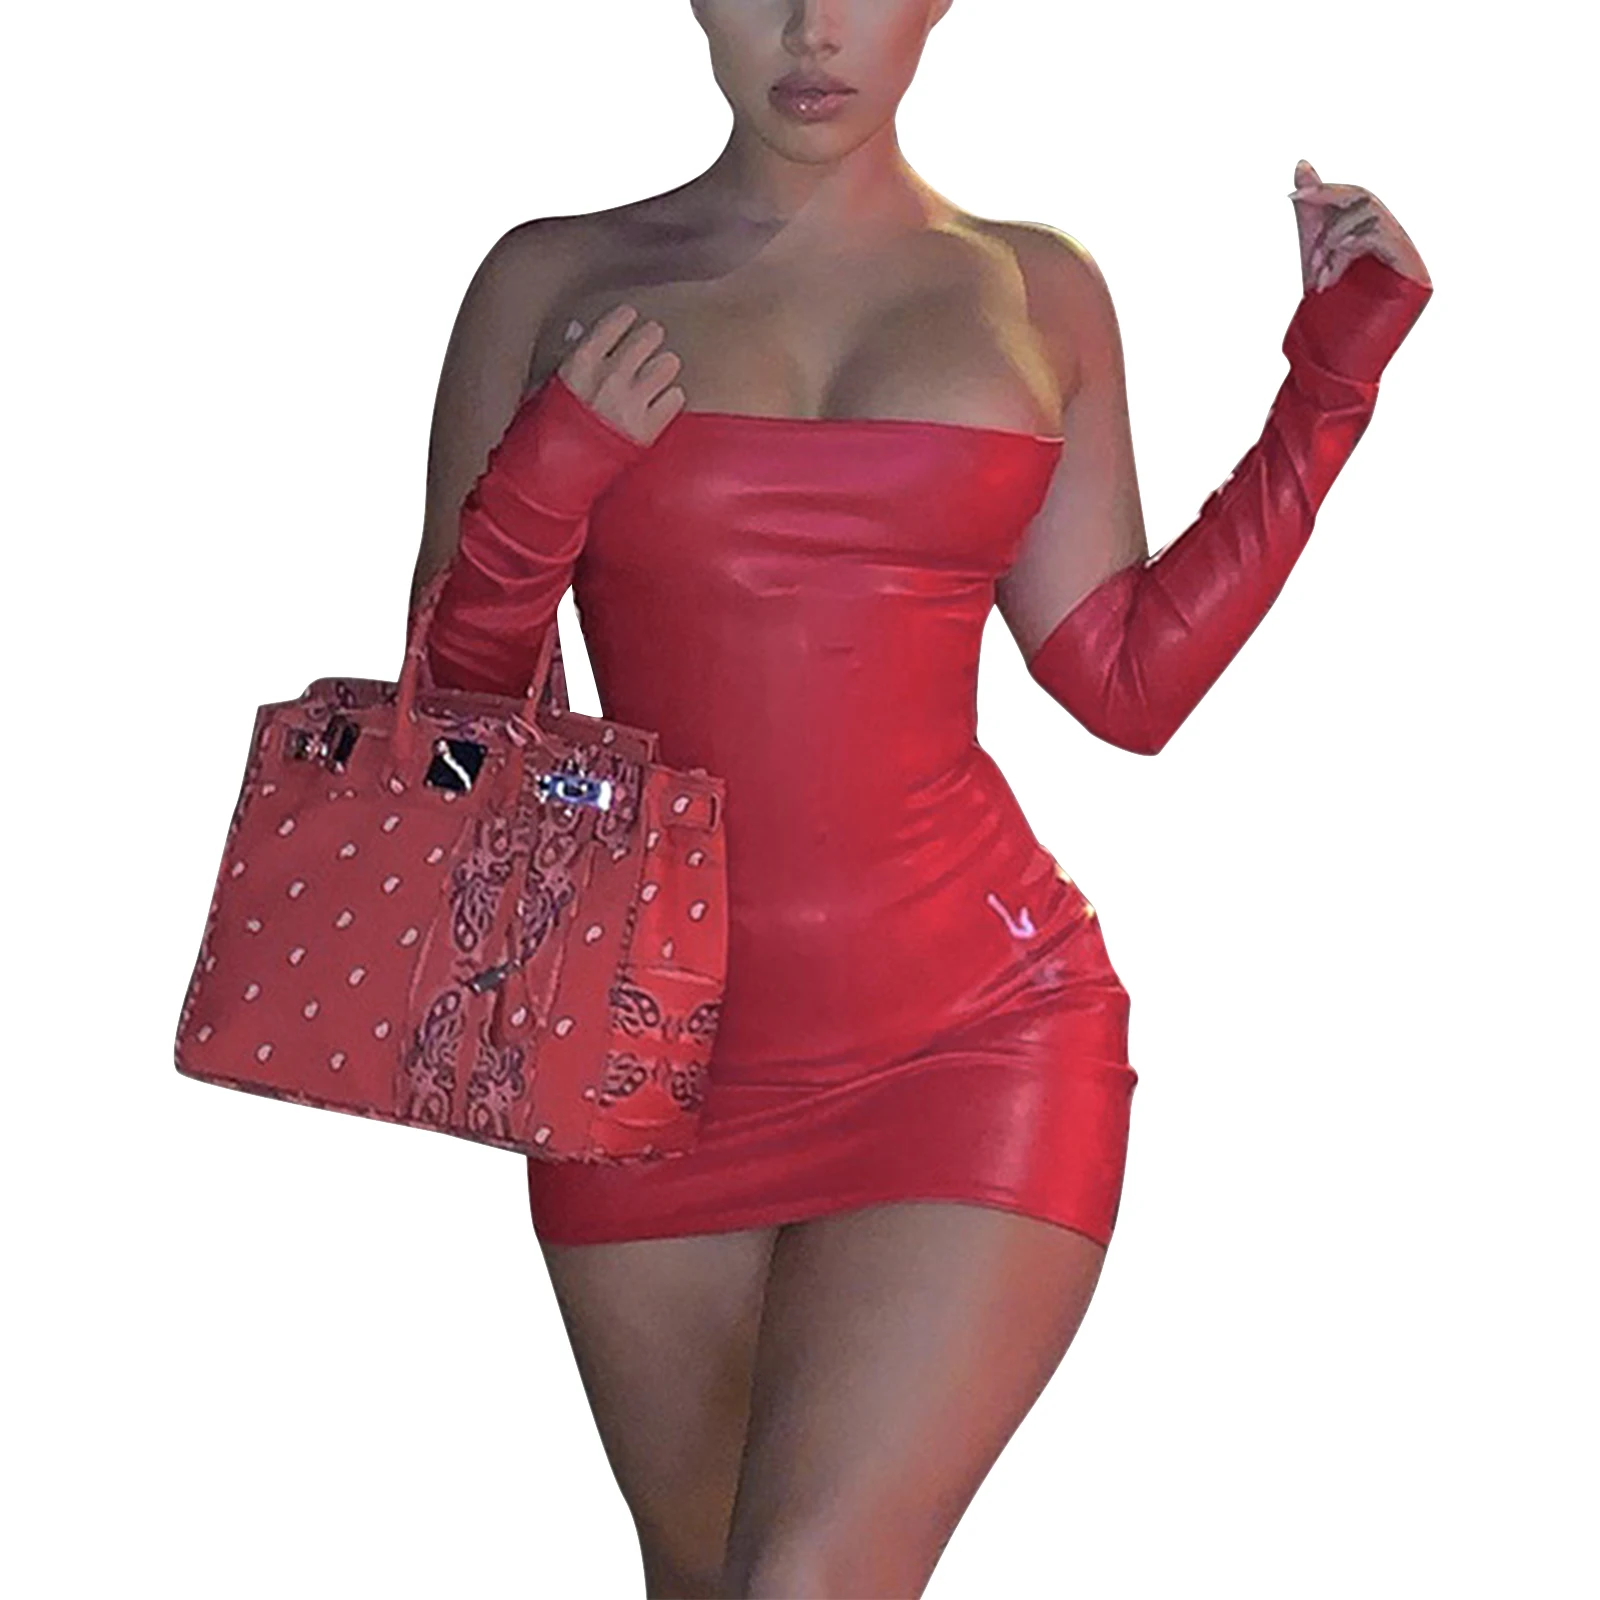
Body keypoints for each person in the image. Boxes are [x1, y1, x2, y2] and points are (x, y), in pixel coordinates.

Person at [410, 2, 1432, 1594]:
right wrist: (546, 480)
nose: (813, 28)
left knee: (806, 1580)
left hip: (977, 1027)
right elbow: (454, 738)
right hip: (632, 1055)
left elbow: (1126, 682)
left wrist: (1331, 378)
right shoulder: (551, 281)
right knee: (708, 1583)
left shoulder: (1036, 288)